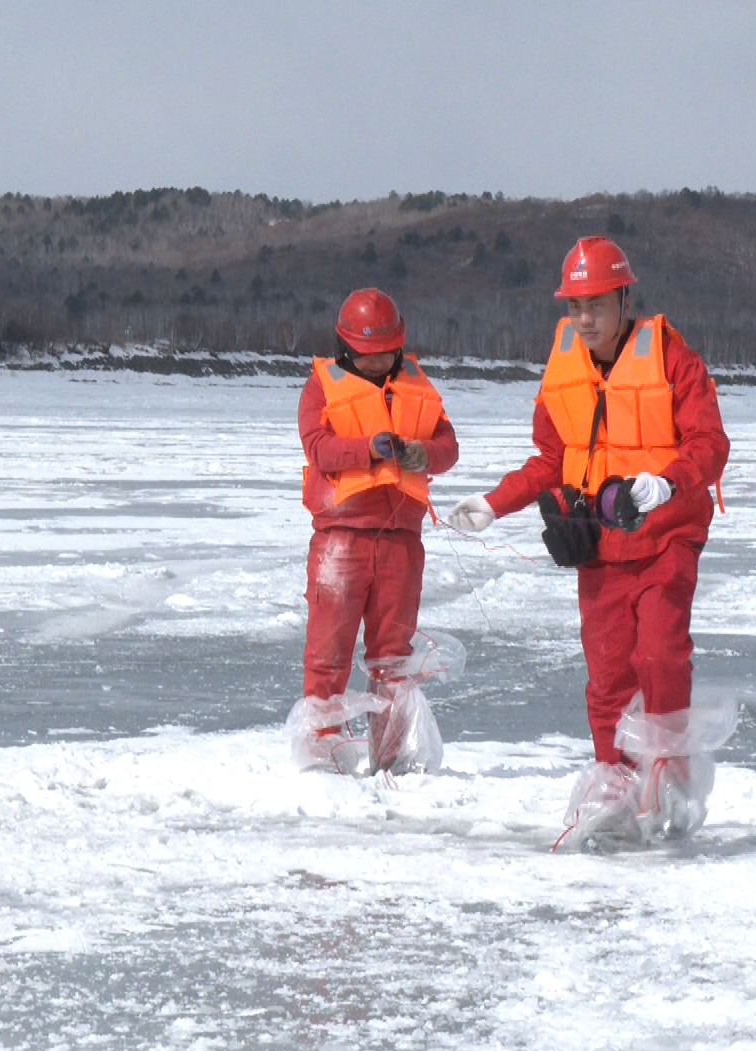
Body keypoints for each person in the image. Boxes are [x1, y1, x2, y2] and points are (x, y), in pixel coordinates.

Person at [448, 237, 731, 849]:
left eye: (597, 305)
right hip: (599, 547)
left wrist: (667, 484)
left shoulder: (675, 362)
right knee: (607, 674)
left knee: (658, 654)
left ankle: (669, 774)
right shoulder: (564, 369)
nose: (584, 320)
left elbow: (710, 447)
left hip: (666, 537)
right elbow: (552, 460)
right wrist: (496, 503)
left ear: (624, 299)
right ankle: (616, 783)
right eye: (575, 307)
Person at [287, 288, 460, 774]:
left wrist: (424, 454)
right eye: (368, 354)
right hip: (340, 541)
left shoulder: (416, 385)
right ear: (346, 350)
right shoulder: (322, 386)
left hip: (401, 543)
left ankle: (392, 760)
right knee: (328, 656)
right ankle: (322, 759)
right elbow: (318, 449)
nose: (379, 361)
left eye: (387, 352)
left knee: (393, 661)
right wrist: (369, 449)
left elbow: (448, 444)